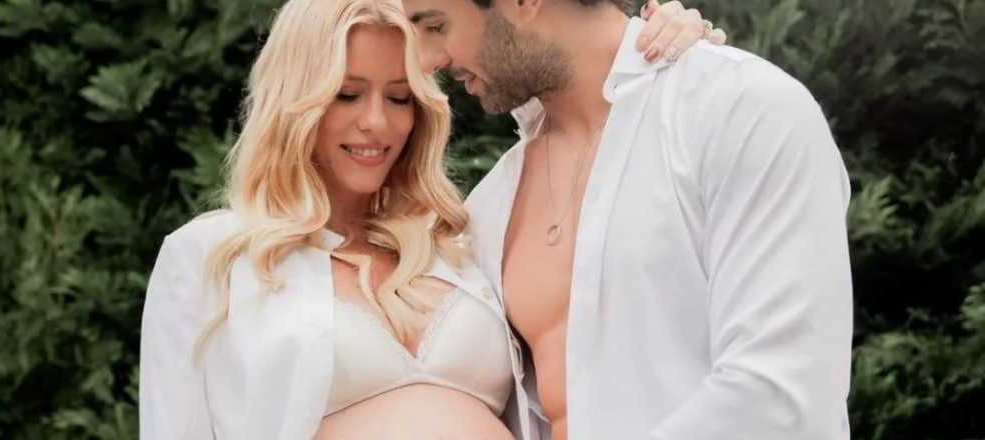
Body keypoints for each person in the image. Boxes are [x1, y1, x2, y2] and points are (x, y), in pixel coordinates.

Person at [137, 0, 718, 438]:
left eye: (398, 98)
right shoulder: (212, 256)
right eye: (346, 95)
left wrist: (652, 52)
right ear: (297, 100)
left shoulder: (464, 239)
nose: (376, 123)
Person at [401, 0, 854, 439]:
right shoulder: (490, 205)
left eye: (437, 26)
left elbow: (784, 399)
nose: (425, 62)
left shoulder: (740, 109)